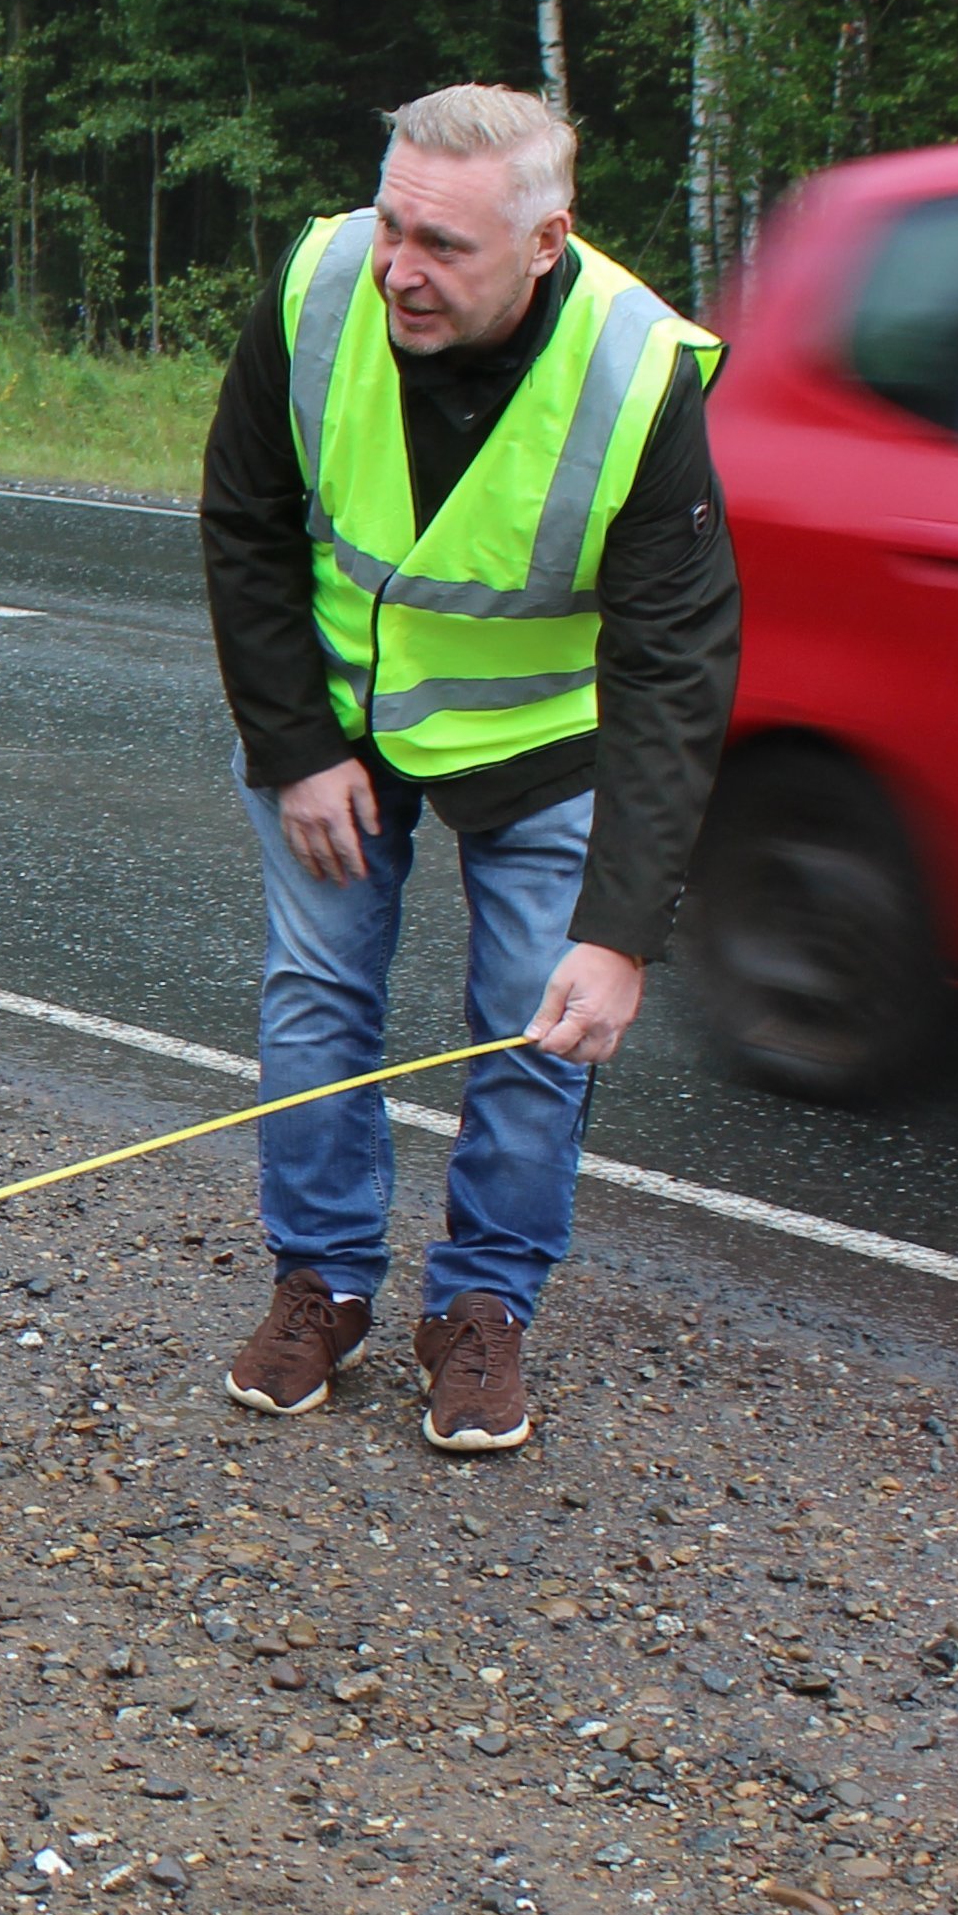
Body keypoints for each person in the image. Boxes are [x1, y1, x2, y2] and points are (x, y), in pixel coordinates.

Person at [198, 85, 741, 1453]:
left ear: (545, 241)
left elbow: (678, 666)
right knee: (318, 1000)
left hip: (540, 741)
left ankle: (484, 1311)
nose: (400, 269)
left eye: (443, 245)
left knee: (533, 1026)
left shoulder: (638, 374)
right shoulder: (320, 290)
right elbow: (246, 519)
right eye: (393, 225)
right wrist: (297, 747)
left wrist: (622, 935)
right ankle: (320, 1284)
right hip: (340, 716)